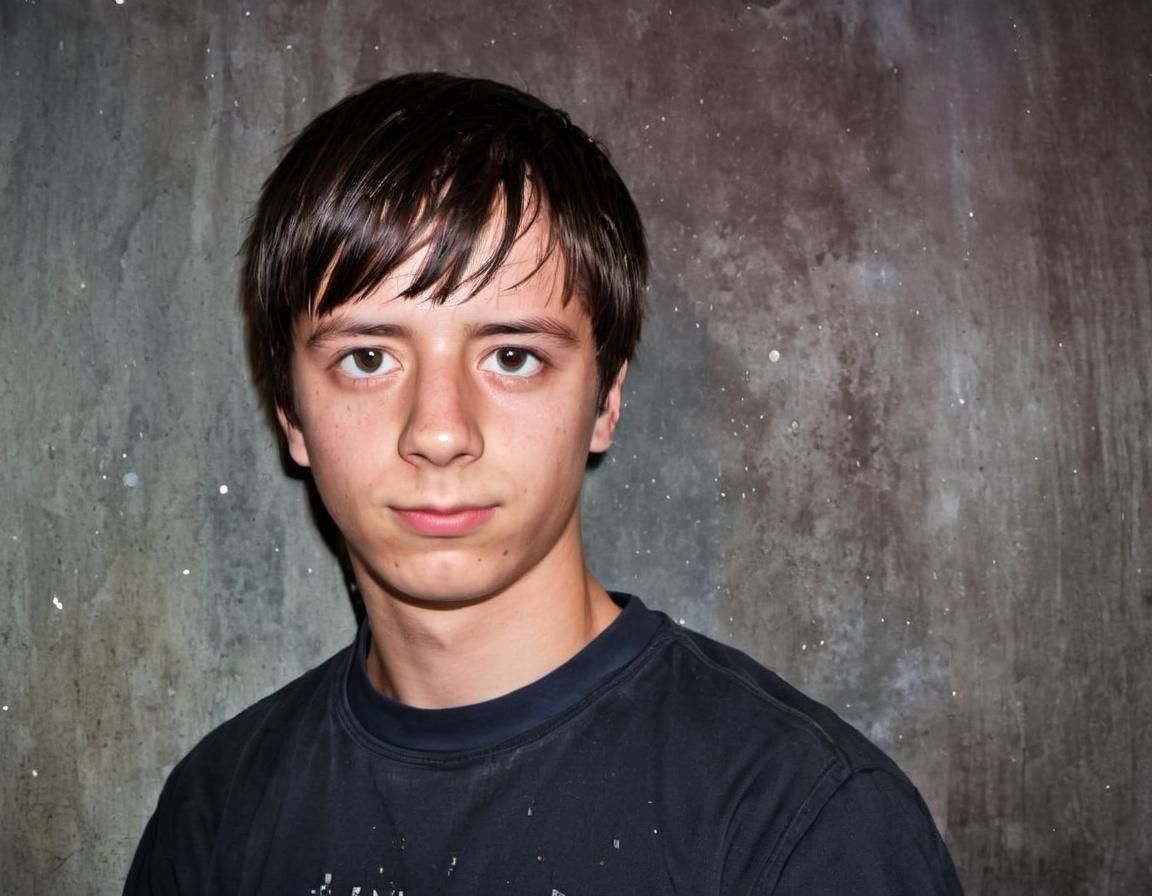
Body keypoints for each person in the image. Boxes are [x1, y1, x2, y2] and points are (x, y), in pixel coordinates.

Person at [124, 72, 964, 895]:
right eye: (369, 357)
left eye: (513, 357)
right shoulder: (214, 818)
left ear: (605, 402)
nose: (441, 432)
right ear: (291, 414)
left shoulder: (802, 824)